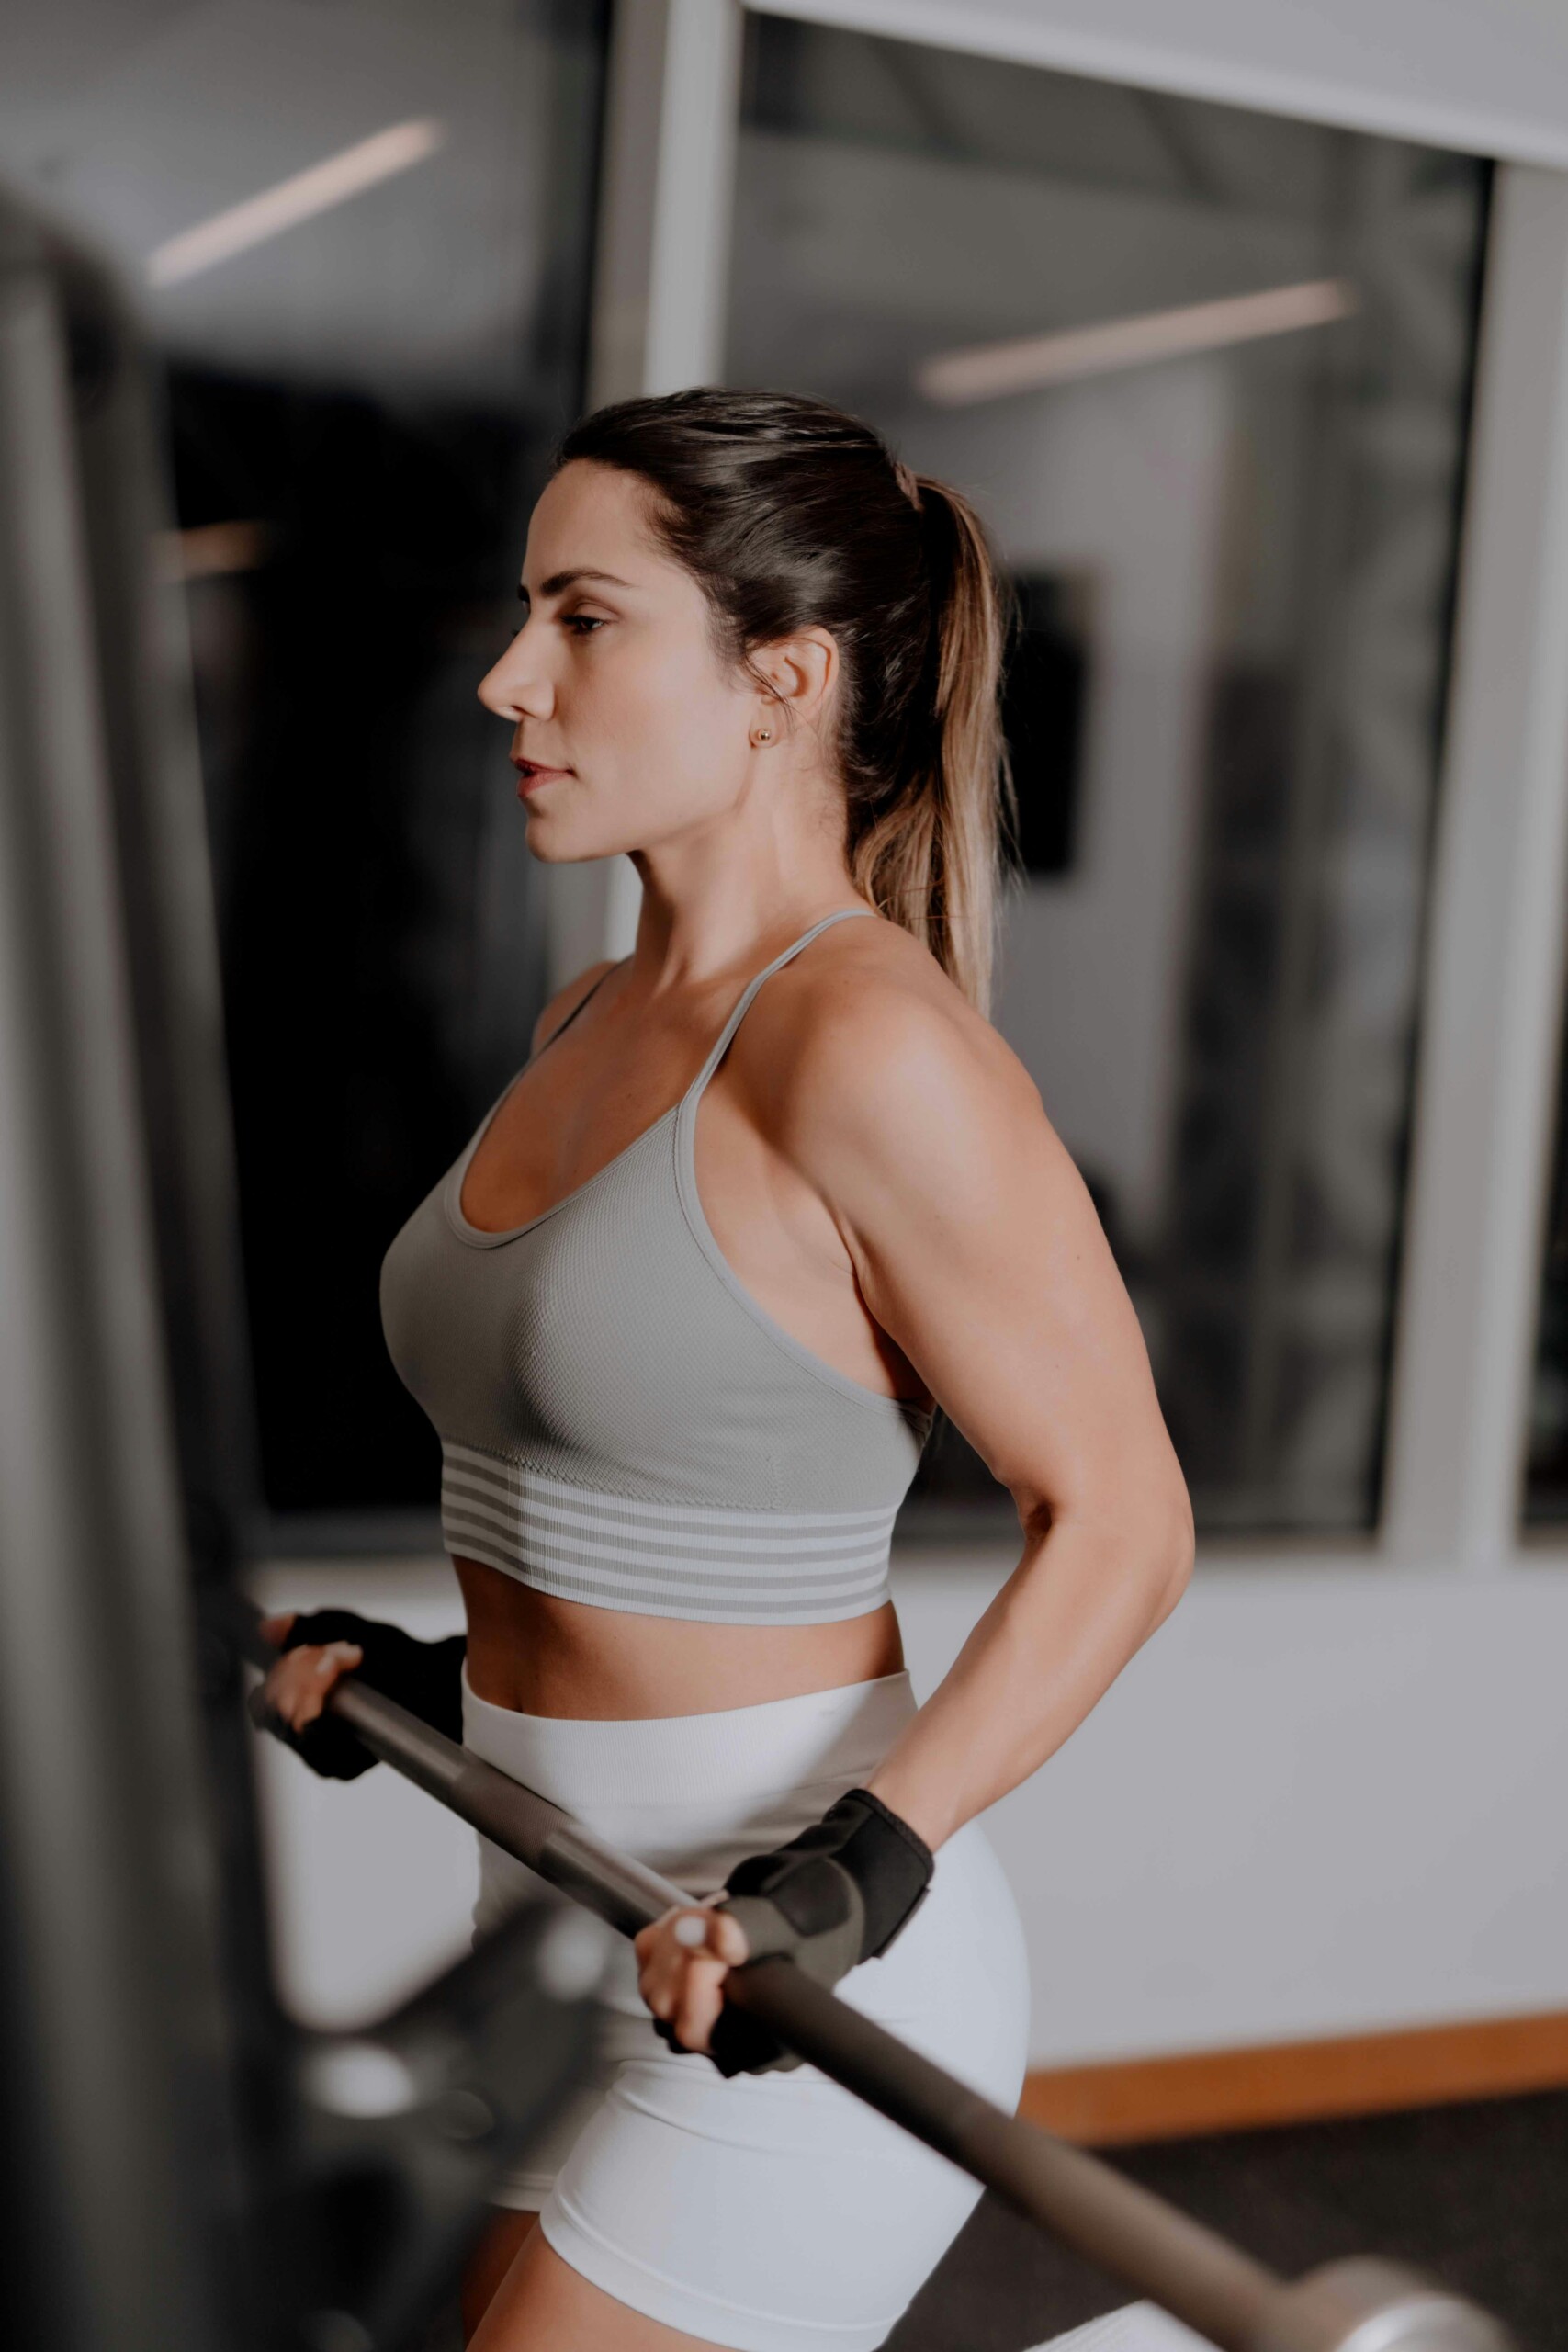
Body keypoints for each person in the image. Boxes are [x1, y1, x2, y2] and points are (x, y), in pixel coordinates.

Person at [257, 388, 1193, 2352]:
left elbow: (1118, 1518)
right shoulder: (589, 1009)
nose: (512, 678)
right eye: (527, 612)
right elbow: (621, 1485)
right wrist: (437, 1682)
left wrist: (860, 1868)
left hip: (792, 1956)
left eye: (582, 619)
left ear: (779, 677)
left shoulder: (867, 1046)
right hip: (556, 1893)